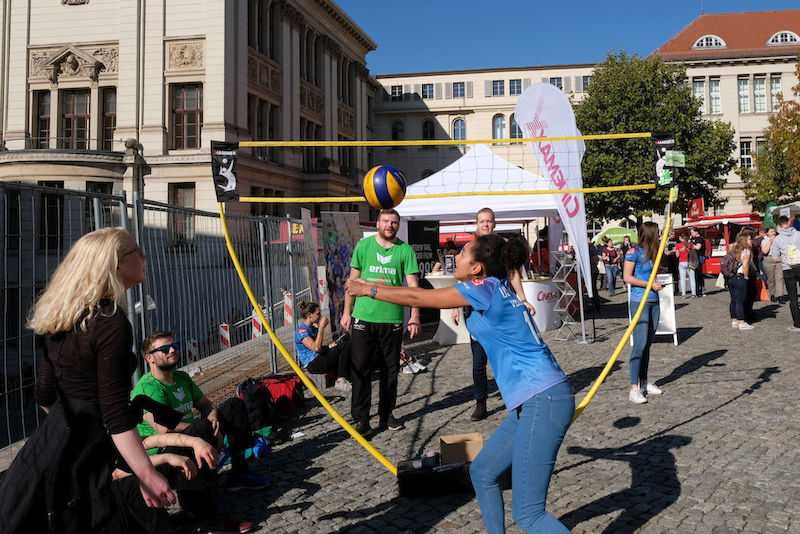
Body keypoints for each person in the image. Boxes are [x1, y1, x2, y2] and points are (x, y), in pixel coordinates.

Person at [347, 234, 573, 533]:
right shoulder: (497, 286)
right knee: (483, 472)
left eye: (464, 253)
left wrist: (368, 289)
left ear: (477, 269)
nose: (457, 257)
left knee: (529, 515)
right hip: (533, 401)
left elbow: (419, 298)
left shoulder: (486, 288)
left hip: (542, 399)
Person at [0, 228, 174, 534]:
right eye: (137, 252)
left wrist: (68, 432)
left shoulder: (62, 317)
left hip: (49, 448)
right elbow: (114, 412)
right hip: (83, 459)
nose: (144, 257)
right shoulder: (111, 323)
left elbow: (44, 393)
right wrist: (146, 473)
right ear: (116, 264)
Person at [132, 330, 273, 491]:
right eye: (165, 349)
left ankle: (239, 472)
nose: (172, 350)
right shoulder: (149, 387)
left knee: (234, 406)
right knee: (202, 426)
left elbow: (205, 404)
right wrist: (205, 431)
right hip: (165, 454)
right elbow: (164, 429)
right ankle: (205, 487)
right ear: (149, 358)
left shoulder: (181, 377)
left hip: (193, 436)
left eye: (174, 346)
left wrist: (213, 421)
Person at [340, 208, 421, 437]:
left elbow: (414, 288)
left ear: (398, 225)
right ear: (377, 223)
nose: (390, 225)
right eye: (386, 221)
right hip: (364, 318)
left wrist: (415, 316)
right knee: (361, 371)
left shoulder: (405, 250)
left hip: (392, 319)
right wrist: (347, 312)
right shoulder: (363, 247)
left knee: (390, 372)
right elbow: (352, 282)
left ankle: (386, 416)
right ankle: (362, 420)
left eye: (394, 222)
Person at [452, 207, 535, 421]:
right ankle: (481, 403)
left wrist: (523, 298)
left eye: (489, 221)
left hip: (500, 308)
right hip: (476, 308)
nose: (485, 224)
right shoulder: (469, 248)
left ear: (494, 224)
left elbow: (513, 273)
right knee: (478, 360)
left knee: (506, 357)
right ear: (476, 224)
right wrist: (454, 305)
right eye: (482, 221)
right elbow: (461, 278)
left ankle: (517, 399)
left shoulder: (502, 248)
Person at [623, 222, 665, 404]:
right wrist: (649, 285)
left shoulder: (654, 252)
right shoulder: (634, 252)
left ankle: (644, 382)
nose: (660, 235)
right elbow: (627, 277)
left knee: (647, 344)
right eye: (658, 232)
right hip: (640, 300)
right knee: (639, 345)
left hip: (654, 300)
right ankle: (634, 388)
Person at [295, 300, 353, 391]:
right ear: (310, 315)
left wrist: (329, 346)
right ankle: (340, 379)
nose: (320, 316)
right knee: (343, 347)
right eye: (318, 314)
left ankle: (348, 376)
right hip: (313, 363)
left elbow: (320, 348)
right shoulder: (302, 331)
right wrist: (321, 328)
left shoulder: (312, 328)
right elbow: (316, 348)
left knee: (345, 343)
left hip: (319, 358)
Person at [770, 215, 800, 332]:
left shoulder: (777, 239)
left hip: (788, 268)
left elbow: (775, 258)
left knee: (793, 298)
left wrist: (786, 258)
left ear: (779, 225)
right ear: (789, 222)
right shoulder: (798, 234)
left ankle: (797, 324)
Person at [729, 233, 756, 330]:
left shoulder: (733, 249)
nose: (751, 241)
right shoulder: (746, 251)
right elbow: (745, 265)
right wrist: (746, 276)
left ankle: (734, 320)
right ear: (745, 240)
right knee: (740, 301)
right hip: (740, 277)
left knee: (734, 300)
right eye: (749, 239)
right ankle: (742, 322)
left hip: (731, 277)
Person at [666, 233, 697, 298]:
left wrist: (677, 251)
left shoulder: (678, 245)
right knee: (692, 278)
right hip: (690, 262)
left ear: (681, 238)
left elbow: (677, 256)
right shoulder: (690, 244)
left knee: (682, 279)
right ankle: (694, 293)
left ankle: (683, 294)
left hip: (682, 262)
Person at [762, 227, 787, 302]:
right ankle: (772, 294)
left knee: (780, 278)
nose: (773, 233)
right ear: (767, 233)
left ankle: (780, 296)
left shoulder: (779, 239)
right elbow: (765, 251)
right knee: (771, 279)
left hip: (778, 259)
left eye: (773, 231)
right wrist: (770, 241)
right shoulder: (764, 241)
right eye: (771, 232)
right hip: (768, 259)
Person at [689, 228, 707, 297]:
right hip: (700, 257)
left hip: (699, 258)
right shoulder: (698, 239)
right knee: (699, 275)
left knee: (698, 275)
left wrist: (691, 245)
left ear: (696, 232)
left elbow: (698, 247)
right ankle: (701, 290)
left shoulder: (699, 239)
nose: (691, 234)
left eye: (692, 232)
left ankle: (700, 290)